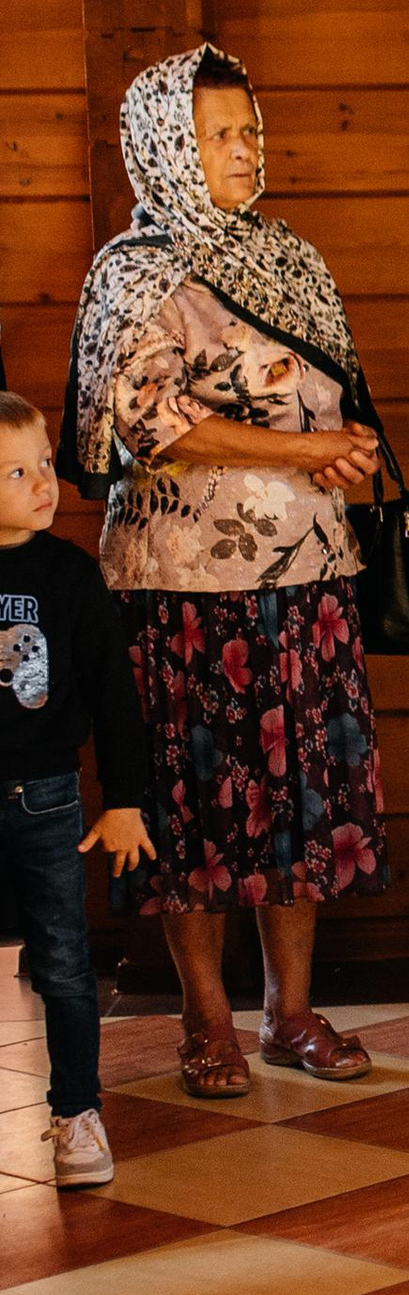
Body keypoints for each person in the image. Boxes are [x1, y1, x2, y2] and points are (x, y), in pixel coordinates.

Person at [62, 46, 389, 1100]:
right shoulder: (135, 268)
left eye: (249, 126)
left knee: (297, 798)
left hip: (307, 575)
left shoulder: (287, 256)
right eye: (220, 134)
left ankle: (288, 1010)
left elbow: (335, 397)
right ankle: (206, 1019)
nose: (245, 148)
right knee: (193, 805)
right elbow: (147, 422)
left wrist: (356, 450)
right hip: (178, 587)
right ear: (168, 146)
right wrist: (303, 452)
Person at [0, 393, 153, 1186]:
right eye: (16, 472)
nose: (42, 483)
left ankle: (76, 1113)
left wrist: (123, 798)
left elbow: (112, 694)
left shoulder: (69, 575)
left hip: (50, 798)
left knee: (63, 962)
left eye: (46, 465)